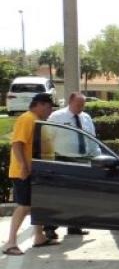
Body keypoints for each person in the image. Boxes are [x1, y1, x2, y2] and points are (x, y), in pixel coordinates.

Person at [3, 93, 55, 256]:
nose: (50, 110)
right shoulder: (27, 119)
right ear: (39, 104)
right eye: (48, 107)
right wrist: (24, 167)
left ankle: (38, 237)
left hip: (34, 170)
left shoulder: (35, 119)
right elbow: (17, 144)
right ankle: (10, 242)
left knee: (36, 204)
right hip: (22, 172)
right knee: (24, 205)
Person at [42, 92, 97, 238]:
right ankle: (50, 227)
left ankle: (75, 226)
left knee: (79, 196)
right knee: (60, 195)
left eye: (83, 104)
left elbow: (92, 138)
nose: (81, 107)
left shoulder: (86, 118)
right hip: (63, 159)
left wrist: (96, 156)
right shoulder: (57, 117)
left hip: (83, 159)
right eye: (78, 104)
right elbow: (47, 138)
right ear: (70, 101)